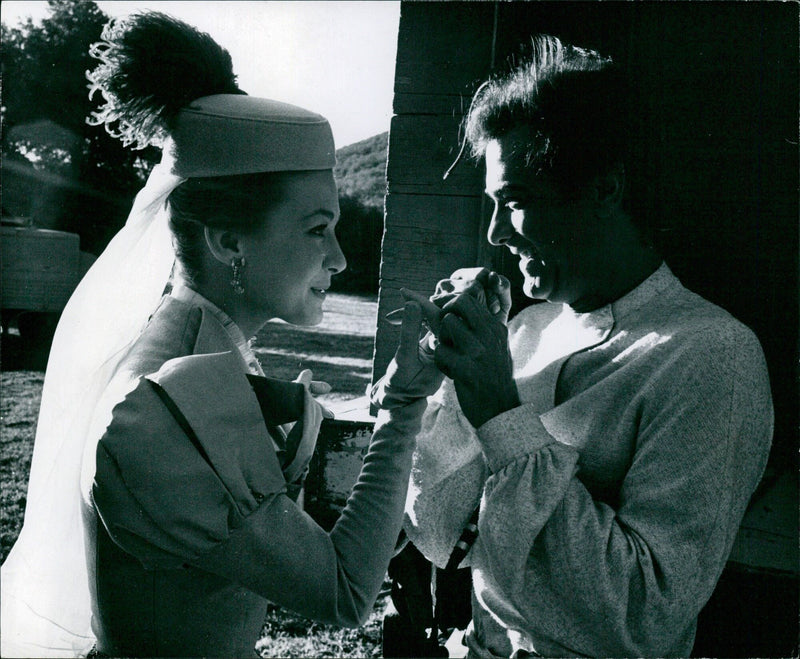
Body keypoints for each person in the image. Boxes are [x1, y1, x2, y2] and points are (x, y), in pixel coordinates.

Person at [0, 12, 441, 658]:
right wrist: (405, 404)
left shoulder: (205, 346)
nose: (342, 260)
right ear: (228, 241)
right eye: (318, 229)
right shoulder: (162, 403)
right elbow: (344, 591)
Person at [373, 35, 773, 657]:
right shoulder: (527, 332)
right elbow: (439, 532)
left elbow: (640, 617)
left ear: (604, 190)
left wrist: (502, 412)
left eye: (516, 202)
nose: (496, 233)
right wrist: (437, 384)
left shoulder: (712, 356)